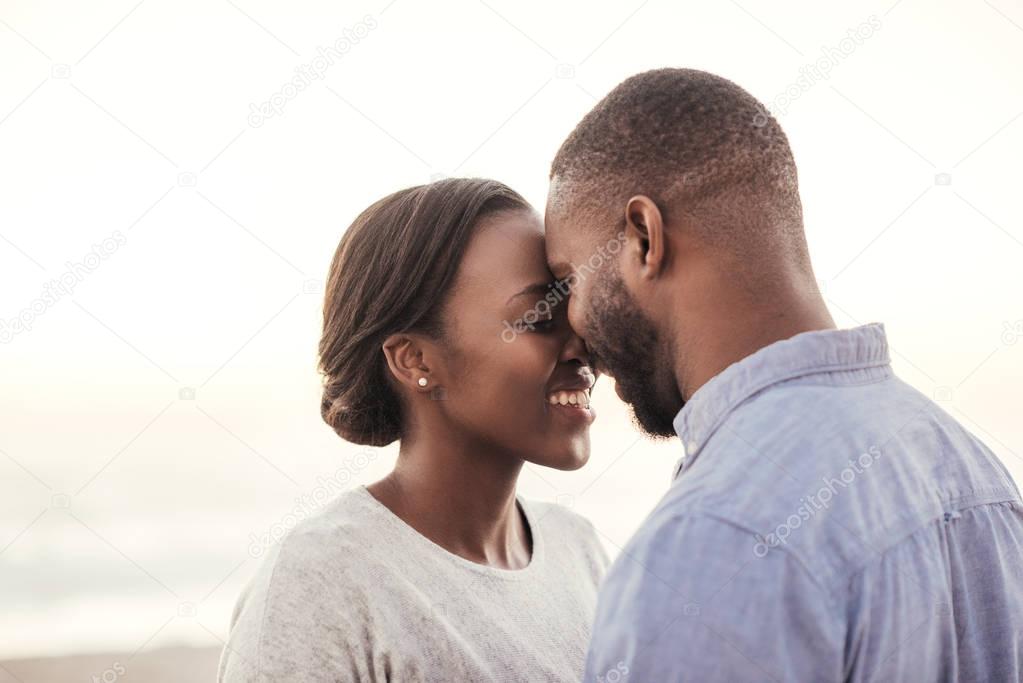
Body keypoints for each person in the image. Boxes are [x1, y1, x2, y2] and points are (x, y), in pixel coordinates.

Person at [544, 68, 1023, 681]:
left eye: (570, 279)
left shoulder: (713, 537)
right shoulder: (973, 472)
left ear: (643, 239)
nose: (573, 326)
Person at [219, 178, 608, 682]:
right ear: (415, 359)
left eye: (574, 307)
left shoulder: (579, 551)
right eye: (537, 317)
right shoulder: (320, 582)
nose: (582, 343)